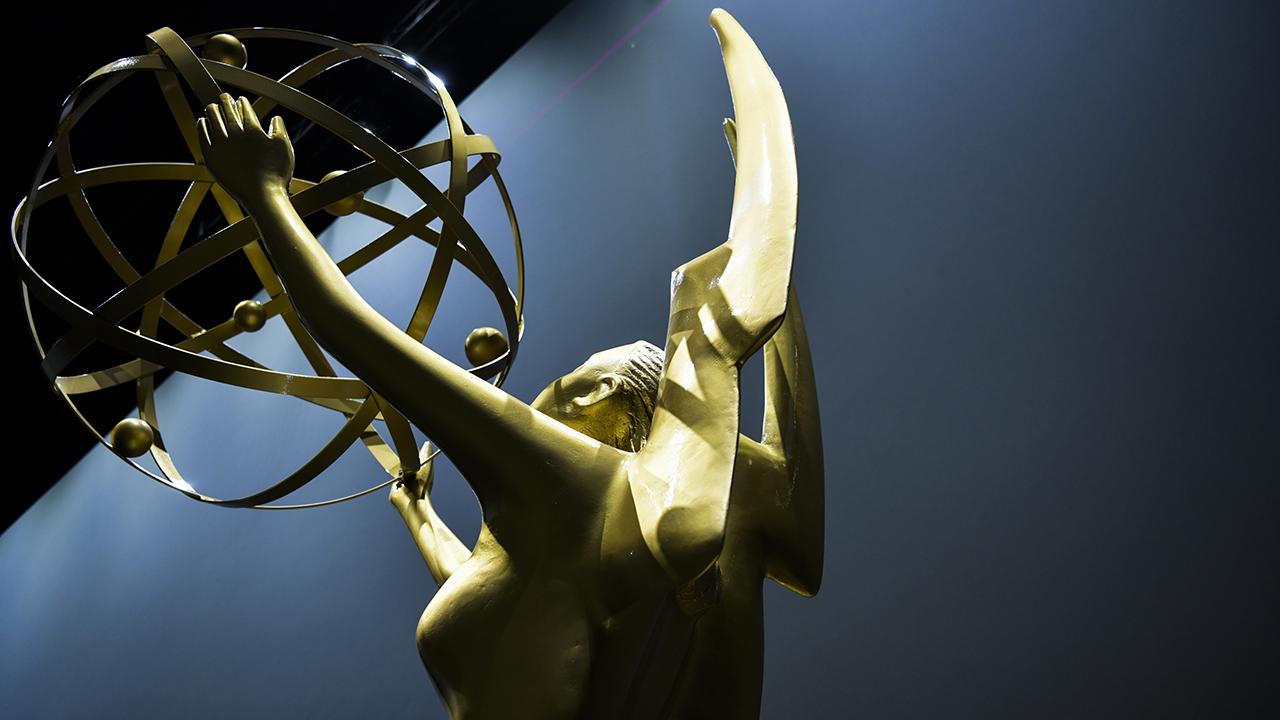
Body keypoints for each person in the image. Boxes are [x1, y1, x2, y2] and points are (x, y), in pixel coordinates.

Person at [198, 11, 819, 718]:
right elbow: (512, 603)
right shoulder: (583, 529)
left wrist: (264, 194)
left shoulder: (574, 481)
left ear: (602, 394)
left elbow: (360, 337)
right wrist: (418, 512)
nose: (542, 394)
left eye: (567, 379)